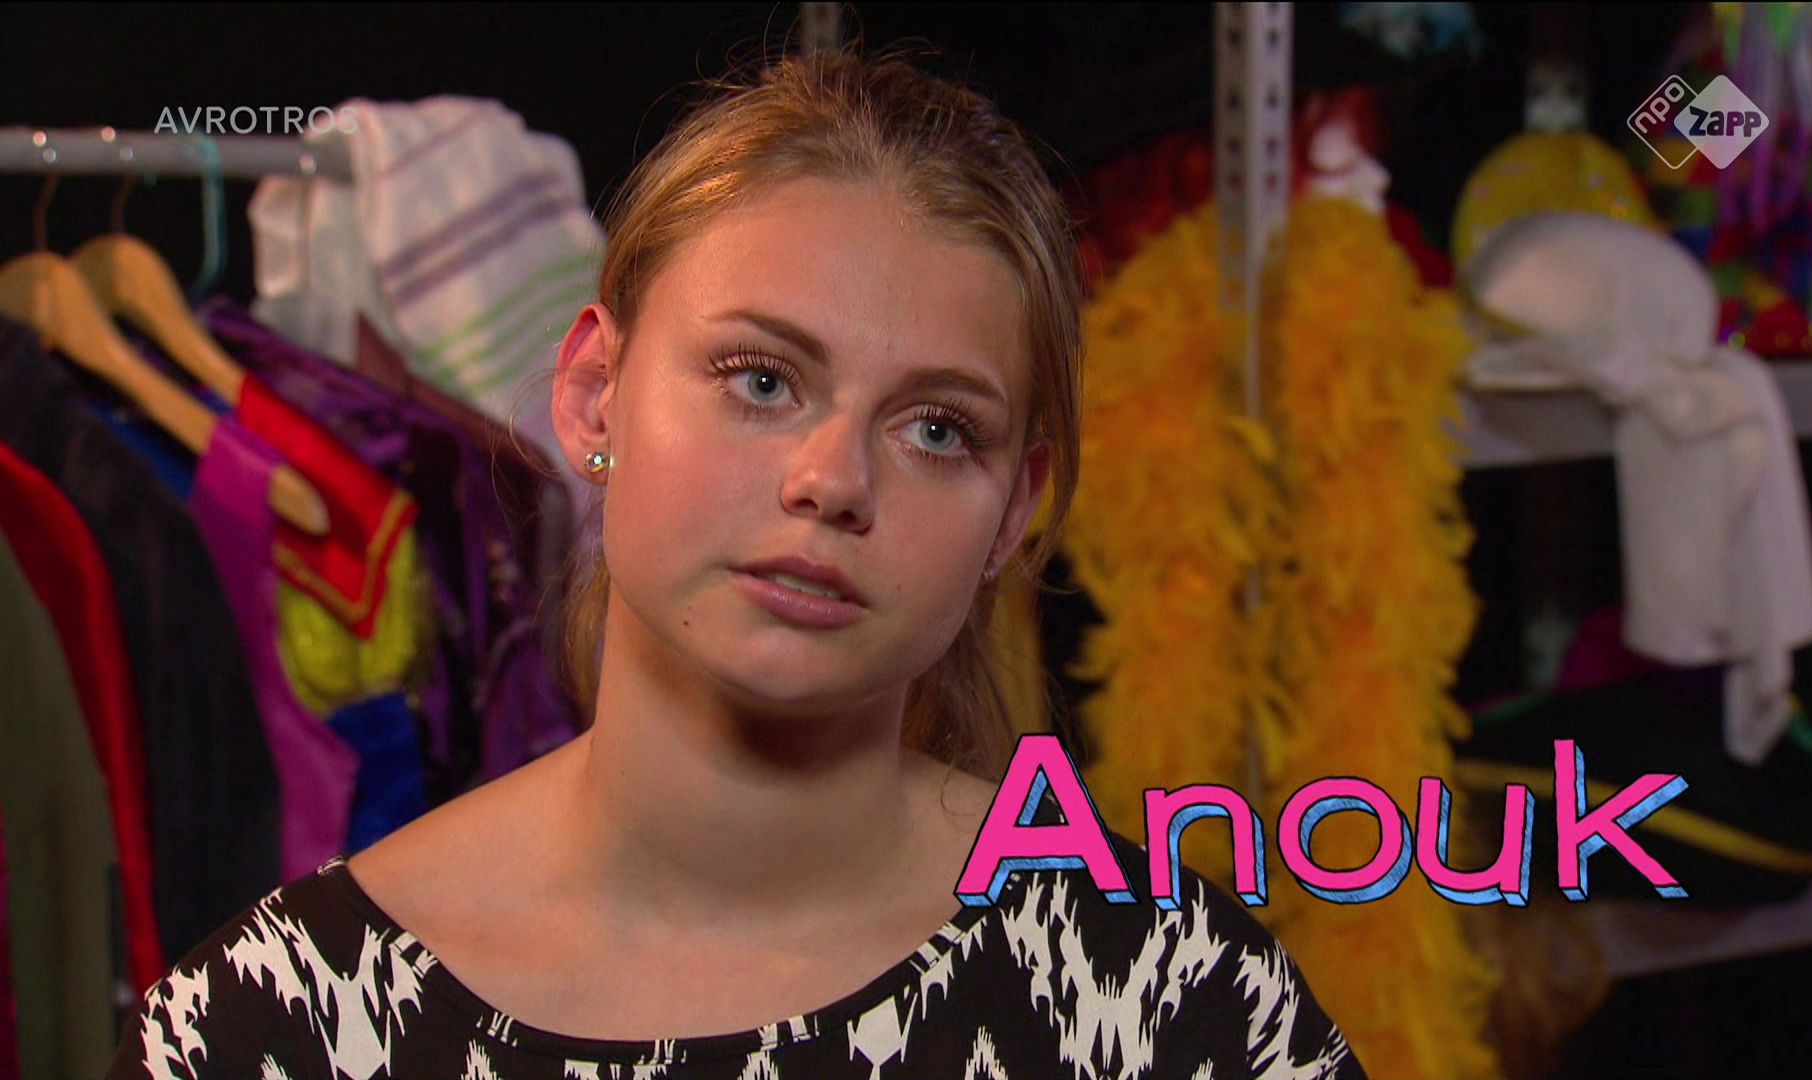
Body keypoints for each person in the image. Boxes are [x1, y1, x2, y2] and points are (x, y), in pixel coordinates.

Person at [106, 45, 1365, 1079]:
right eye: (760, 380)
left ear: (1015, 511)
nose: (832, 479)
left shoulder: (1174, 1005)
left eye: (938, 429)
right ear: (594, 394)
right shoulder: (277, 1028)